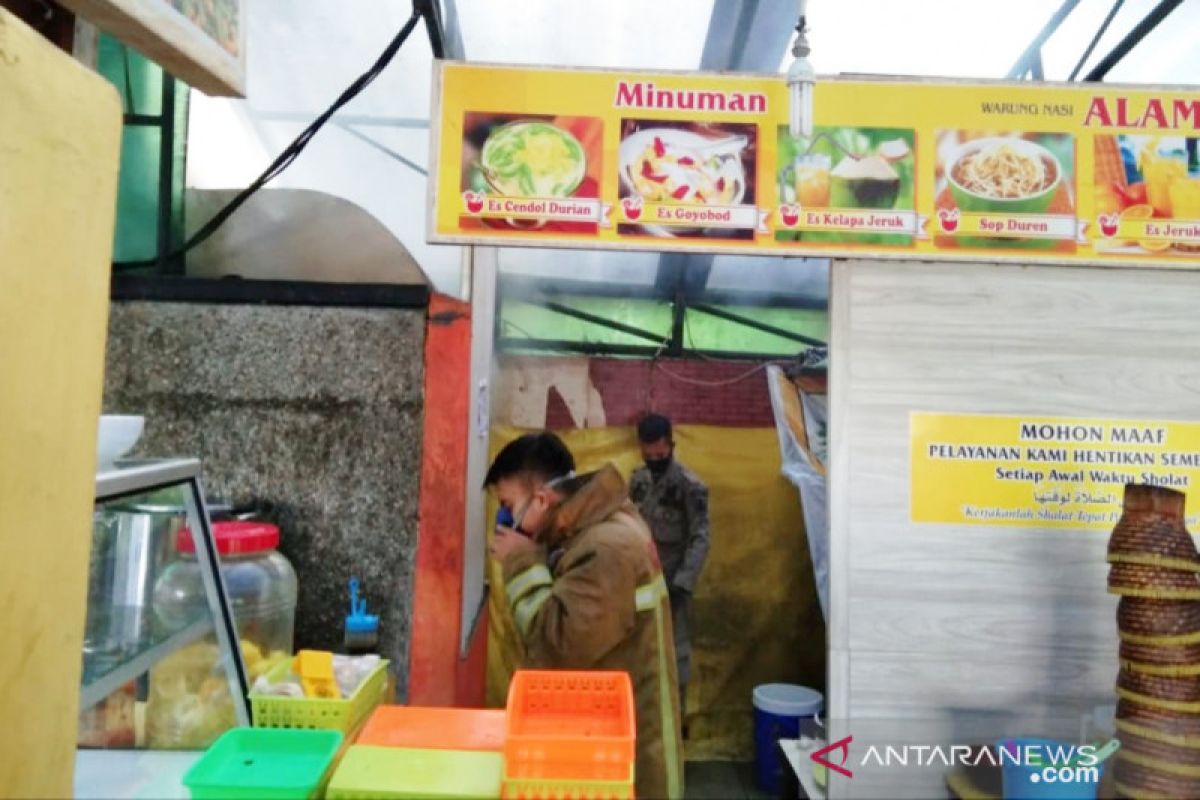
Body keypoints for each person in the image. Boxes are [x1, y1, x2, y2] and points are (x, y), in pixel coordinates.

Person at [487, 432, 685, 800]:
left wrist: (520, 563)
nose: (505, 520)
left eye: (508, 506)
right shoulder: (594, 527)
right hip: (608, 739)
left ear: (543, 499)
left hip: (625, 759)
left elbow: (557, 647)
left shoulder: (605, 549)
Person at [629, 414, 710, 723]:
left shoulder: (690, 487)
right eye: (648, 456)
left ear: (671, 446)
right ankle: (643, 725)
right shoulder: (638, 480)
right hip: (640, 586)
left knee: (676, 658)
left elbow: (700, 537)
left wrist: (682, 582)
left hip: (674, 586)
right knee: (640, 653)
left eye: (660, 456)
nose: (654, 461)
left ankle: (675, 726)